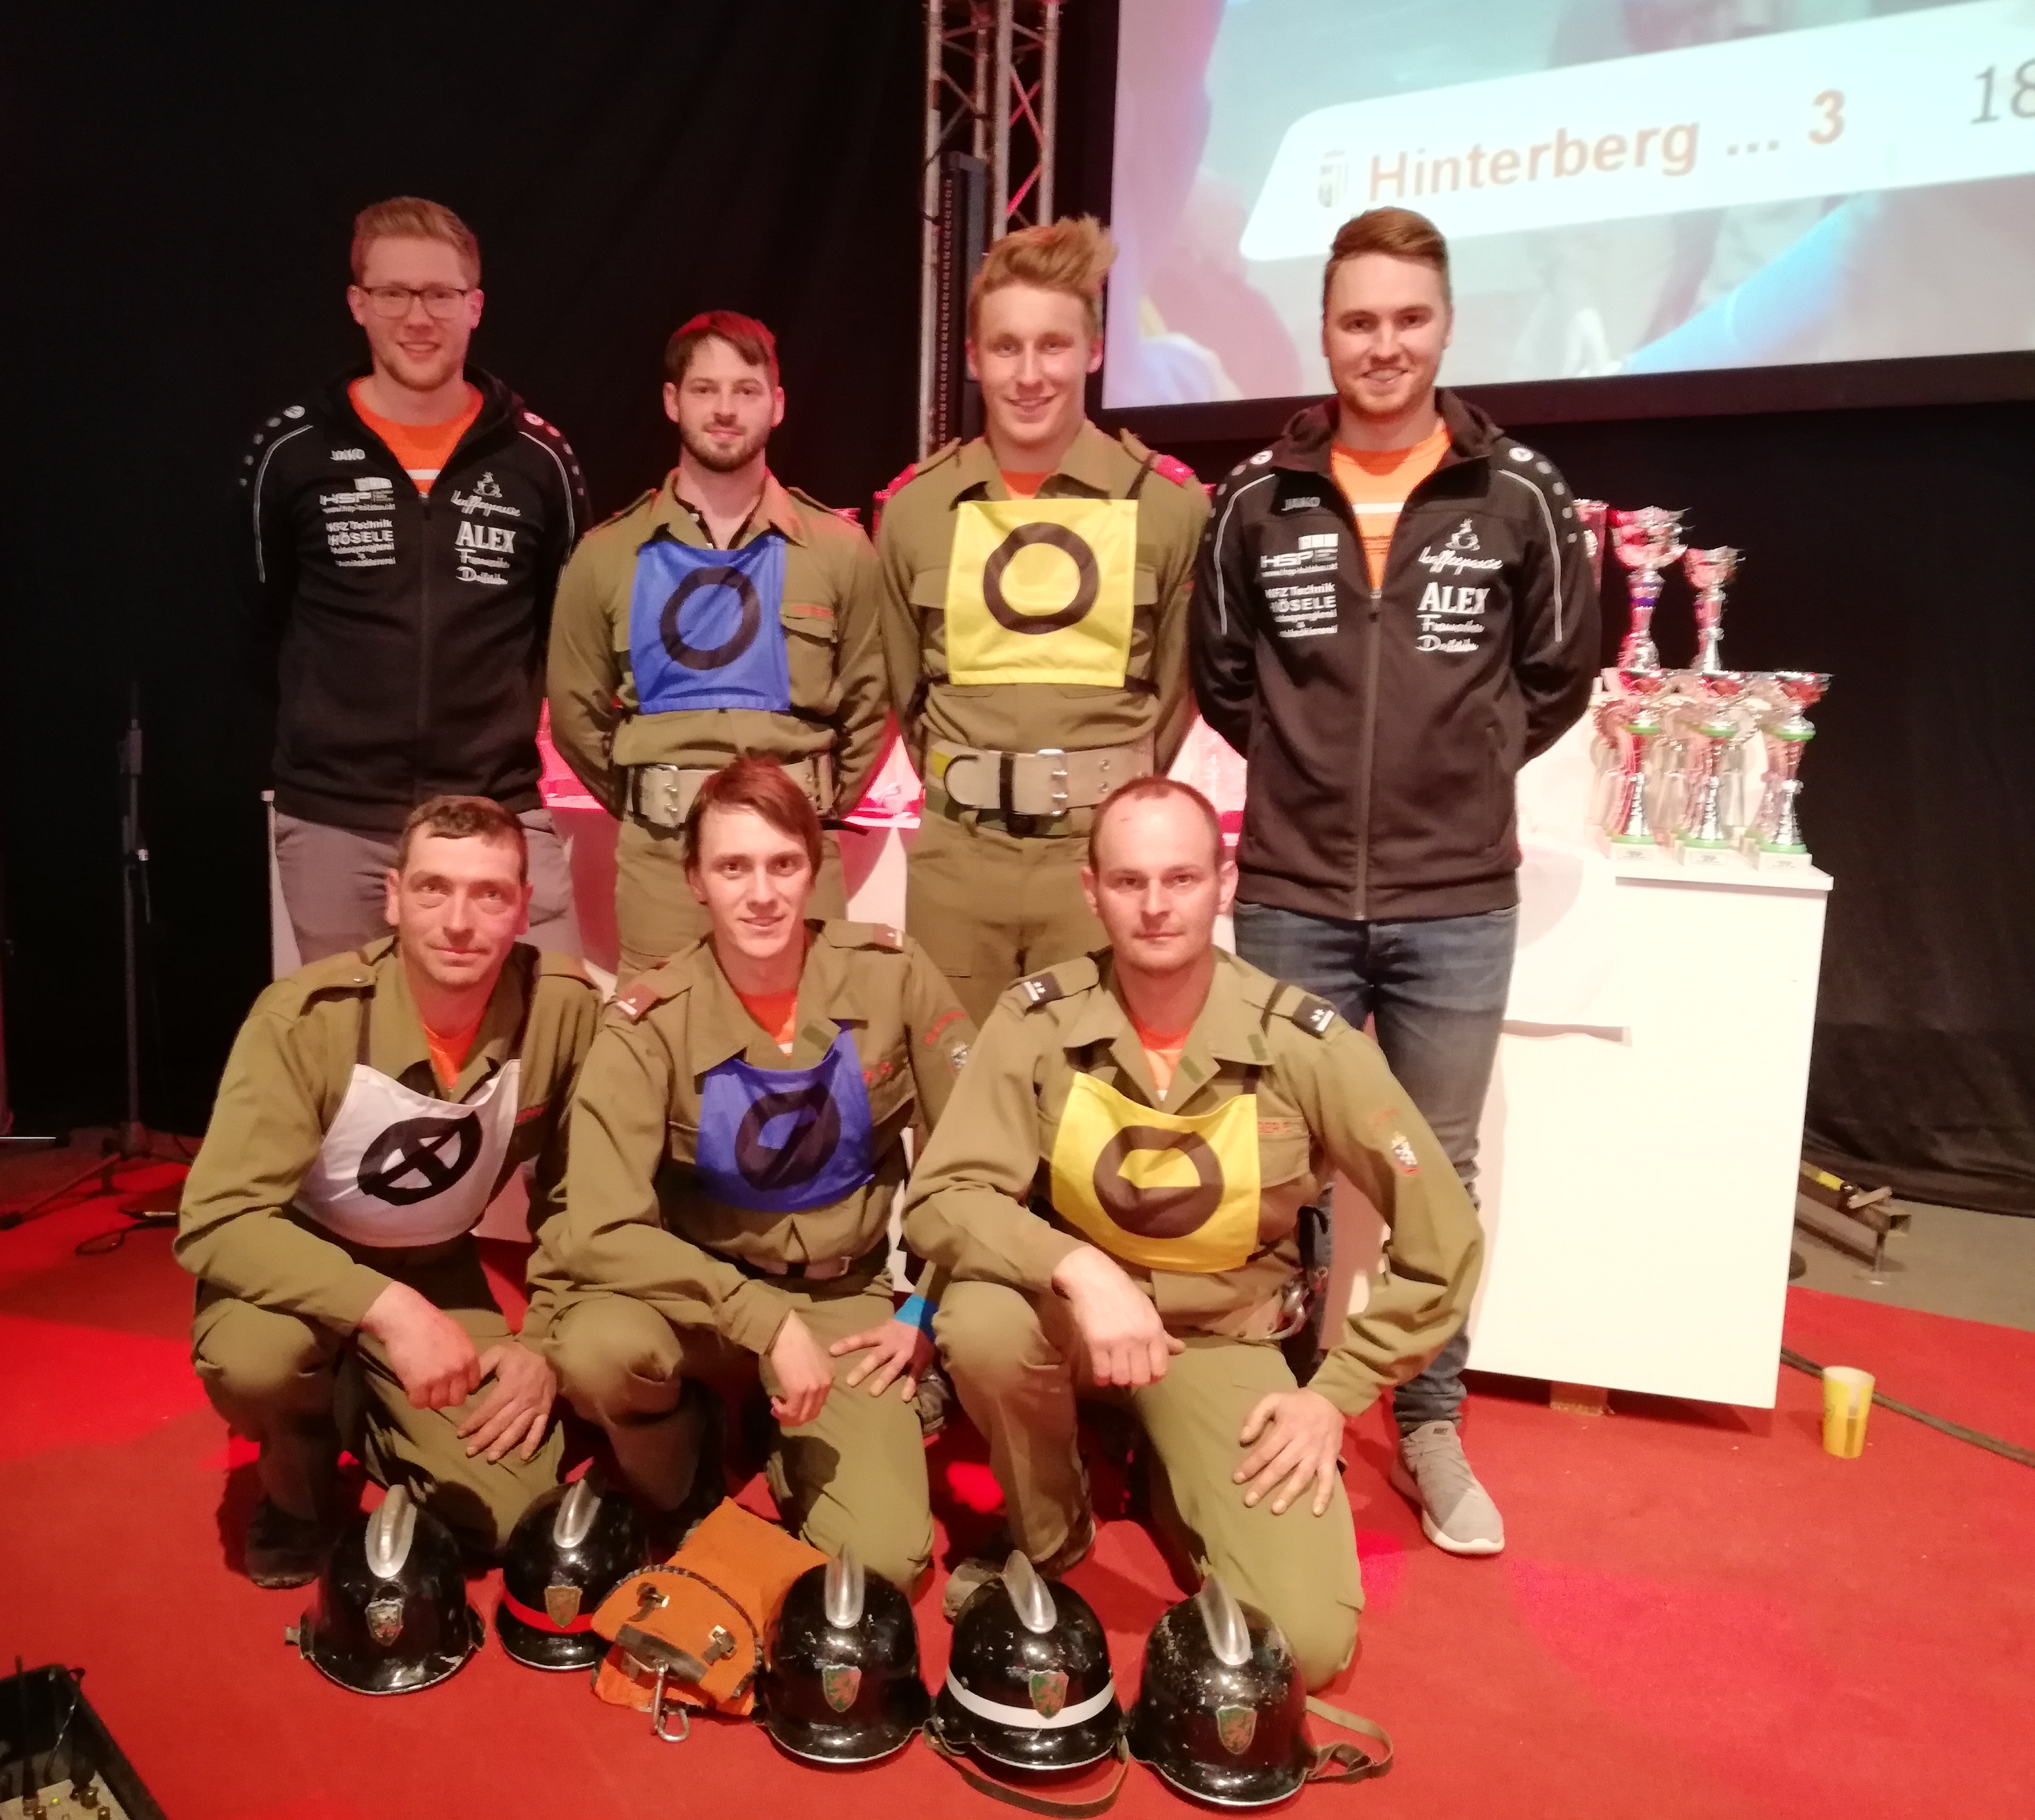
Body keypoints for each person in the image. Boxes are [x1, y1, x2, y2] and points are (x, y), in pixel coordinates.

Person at [1189, 207, 1601, 1557]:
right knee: (1279, 1160)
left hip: (1455, 900)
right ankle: (1274, 1391)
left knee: (1436, 1168)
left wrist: (1459, 769)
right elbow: (1225, 676)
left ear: (1446, 325)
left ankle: (1427, 1418)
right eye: (1358, 320)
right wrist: (1310, 773)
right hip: (1292, 893)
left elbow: (1556, 676)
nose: (1384, 344)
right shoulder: (1256, 499)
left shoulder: (1521, 494)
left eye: (1408, 318)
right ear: (1323, 331)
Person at [904, 778, 1481, 1685]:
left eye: (1181, 878)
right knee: (980, 1322)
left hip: (1217, 1340)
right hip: (1072, 1326)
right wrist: (1078, 1268)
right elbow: (943, 1196)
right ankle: (1049, 1530)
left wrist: (1334, 1395)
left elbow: (1442, 1242)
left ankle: (1169, 1476)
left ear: (1224, 882)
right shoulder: (1037, 1019)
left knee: (1301, 1645)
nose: (1156, 906)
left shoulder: (1305, 1043)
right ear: (1091, 891)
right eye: (1128, 881)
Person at [538, 756, 972, 1591]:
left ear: (814, 869)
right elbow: (599, 1230)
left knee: (885, 1562)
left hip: (844, 1298)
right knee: (598, 1350)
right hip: (697, 1300)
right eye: (734, 867)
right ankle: (684, 1462)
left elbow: (972, 1163)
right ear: (695, 880)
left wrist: (924, 1306)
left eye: (784, 864)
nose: (762, 894)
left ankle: (787, 1445)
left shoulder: (893, 975)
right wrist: (763, 1321)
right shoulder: (648, 1022)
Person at [176, 795, 597, 1587]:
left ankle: (362, 1404)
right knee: (259, 1362)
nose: (459, 923)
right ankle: (298, 1476)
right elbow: (217, 1220)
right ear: (395, 897)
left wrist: (543, 1342)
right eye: (434, 889)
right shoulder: (307, 1018)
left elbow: (577, 1200)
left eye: (489, 895)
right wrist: (388, 1310)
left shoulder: (564, 1011)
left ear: (522, 907)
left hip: (437, 1262)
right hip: (300, 1262)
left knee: (509, 1514)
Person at [875, 216, 1211, 1026]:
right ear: (973, 357)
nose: (1029, 375)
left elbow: (1177, 690)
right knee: (957, 1089)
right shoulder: (916, 509)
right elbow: (905, 686)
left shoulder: (1168, 506)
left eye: (1053, 346)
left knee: (1092, 1091)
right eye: (1006, 348)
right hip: (959, 860)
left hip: (1102, 860)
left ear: (1094, 350)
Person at [243, 196, 590, 967]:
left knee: (554, 1021)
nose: (418, 317)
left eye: (439, 294)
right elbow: (262, 619)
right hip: (337, 822)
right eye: (394, 293)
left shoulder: (539, 461)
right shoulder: (291, 453)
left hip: (498, 810)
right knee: (358, 1036)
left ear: (475, 307)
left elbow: (563, 630)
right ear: (358, 303)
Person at [547, 311, 890, 975]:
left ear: (777, 404)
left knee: (806, 1034)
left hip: (794, 859)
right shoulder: (607, 556)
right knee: (664, 1036)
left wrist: (803, 805)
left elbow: (874, 707)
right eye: (705, 389)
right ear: (672, 400)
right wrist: (653, 800)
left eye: (746, 390)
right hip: (662, 868)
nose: (726, 410)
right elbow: (574, 715)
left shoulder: (841, 552)